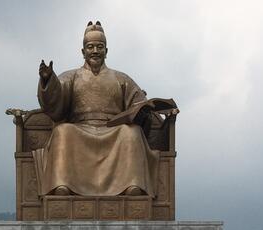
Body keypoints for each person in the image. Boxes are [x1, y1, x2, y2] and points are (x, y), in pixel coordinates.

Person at [34, 22, 175, 197]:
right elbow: (55, 104)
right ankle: (62, 184)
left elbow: (138, 103)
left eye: (99, 47)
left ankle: (132, 185)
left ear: (106, 51)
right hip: (80, 128)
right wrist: (48, 81)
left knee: (131, 133)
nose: (95, 51)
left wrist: (143, 110)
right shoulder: (71, 76)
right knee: (63, 131)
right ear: (83, 51)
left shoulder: (121, 78)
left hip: (114, 129)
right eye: (90, 47)